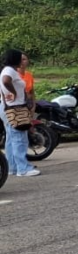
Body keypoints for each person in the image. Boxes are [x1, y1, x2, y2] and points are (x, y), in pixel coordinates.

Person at [2, 49, 39, 177]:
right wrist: (14, 93)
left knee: (13, 138)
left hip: (12, 106)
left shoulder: (8, 70)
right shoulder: (10, 71)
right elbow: (6, 81)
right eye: (20, 58)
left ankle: (12, 167)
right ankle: (23, 168)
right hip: (15, 107)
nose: (22, 61)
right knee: (19, 139)